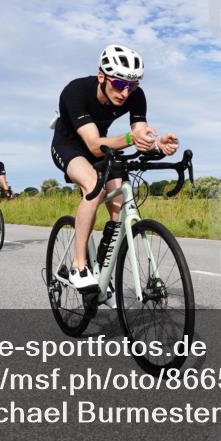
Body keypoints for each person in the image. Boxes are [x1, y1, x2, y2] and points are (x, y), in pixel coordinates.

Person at [50, 44, 179, 291]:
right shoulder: (75, 91)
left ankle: (103, 274)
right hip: (70, 146)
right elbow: (94, 144)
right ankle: (79, 265)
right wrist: (131, 139)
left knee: (118, 205)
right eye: (119, 84)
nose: (125, 93)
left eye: (132, 86)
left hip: (106, 146)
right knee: (93, 187)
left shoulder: (135, 96)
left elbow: (140, 135)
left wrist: (157, 144)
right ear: (102, 76)